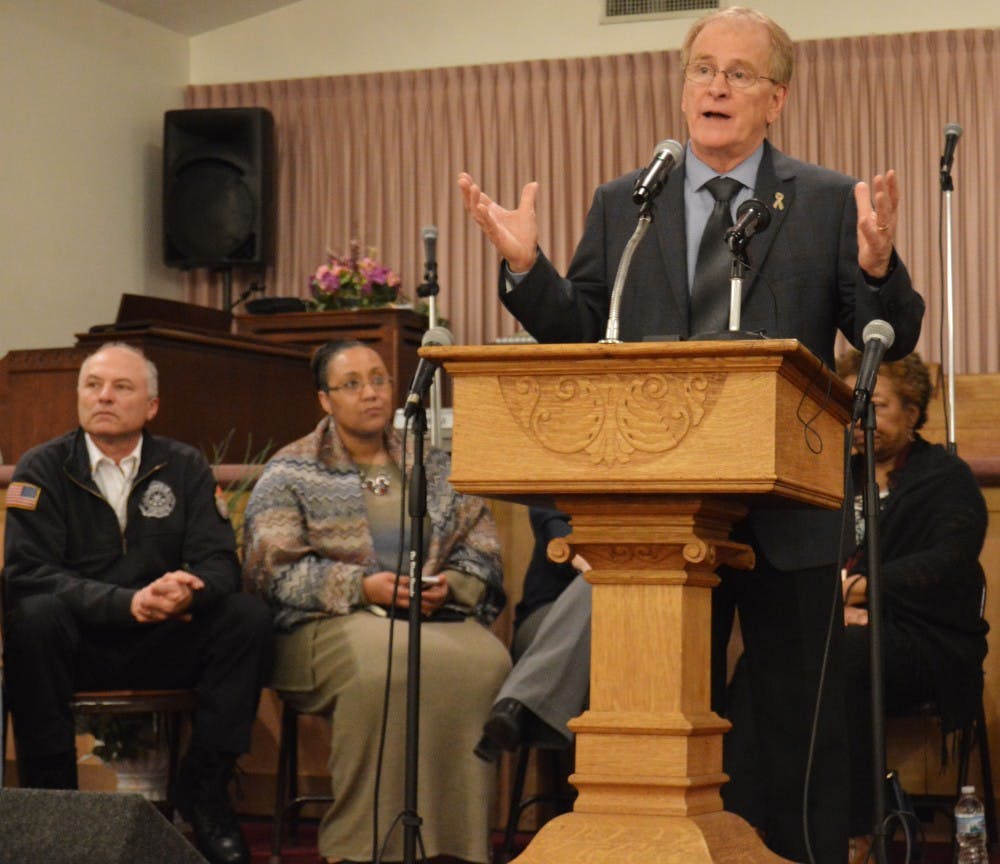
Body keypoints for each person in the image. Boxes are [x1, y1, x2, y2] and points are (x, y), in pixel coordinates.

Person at [457, 7, 925, 863]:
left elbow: (888, 329)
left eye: (739, 73)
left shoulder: (824, 201)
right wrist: (528, 271)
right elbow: (584, 332)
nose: (715, 85)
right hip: (658, 510)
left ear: (775, 99)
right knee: (658, 720)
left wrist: (876, 266)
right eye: (702, 68)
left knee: (795, 734)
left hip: (791, 503)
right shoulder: (625, 201)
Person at [241, 340, 511, 864]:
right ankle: (364, 847)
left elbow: (482, 548)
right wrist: (361, 587)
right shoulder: (289, 471)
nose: (370, 393)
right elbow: (272, 572)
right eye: (352, 384)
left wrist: (449, 587)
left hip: (429, 615)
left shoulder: (433, 465)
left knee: (488, 663)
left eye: (380, 379)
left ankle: (458, 845)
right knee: (384, 662)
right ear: (324, 399)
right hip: (322, 626)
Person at [2, 342, 273, 864]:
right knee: (33, 618)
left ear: (151, 406)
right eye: (92, 385)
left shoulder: (185, 466)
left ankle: (206, 791)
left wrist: (183, 589)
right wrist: (126, 603)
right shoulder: (41, 469)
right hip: (77, 645)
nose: (104, 396)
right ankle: (54, 806)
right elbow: (28, 575)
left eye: (121, 387)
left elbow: (220, 563)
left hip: (164, 638)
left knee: (247, 617)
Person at [836, 350, 988, 854]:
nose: (861, 421)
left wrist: (862, 592)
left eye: (876, 405)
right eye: (853, 406)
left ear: (913, 412)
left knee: (847, 656)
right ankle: (759, 822)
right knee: (767, 664)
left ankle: (855, 832)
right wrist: (838, 610)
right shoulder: (828, 477)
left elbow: (950, 560)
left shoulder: (945, 478)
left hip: (927, 640)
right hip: (842, 632)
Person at [474, 506, 588, 761]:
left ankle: (520, 706)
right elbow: (550, 516)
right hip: (550, 617)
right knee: (603, 579)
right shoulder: (565, 467)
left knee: (610, 576)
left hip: (655, 616)